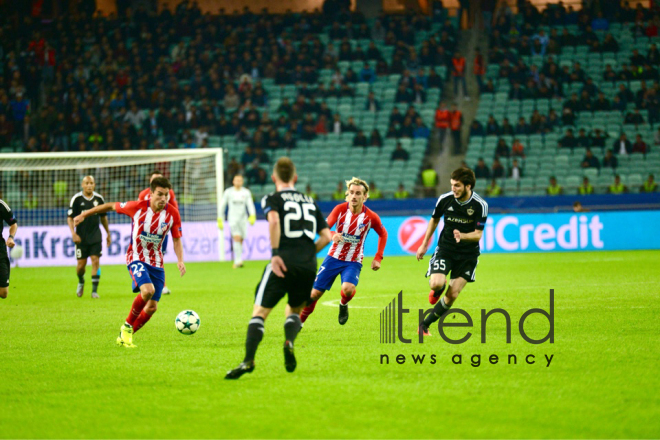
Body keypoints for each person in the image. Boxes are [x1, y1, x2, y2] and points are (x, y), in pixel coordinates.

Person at [225, 158, 332, 379]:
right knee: (293, 310)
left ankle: (248, 361)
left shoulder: (272, 198)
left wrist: (275, 254)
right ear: (295, 178)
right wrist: (308, 252)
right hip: (307, 264)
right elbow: (327, 236)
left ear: (273, 178)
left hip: (282, 260)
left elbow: (273, 222)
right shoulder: (310, 201)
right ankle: (289, 342)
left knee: (260, 313)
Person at [73, 177, 185, 348]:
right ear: (151, 193)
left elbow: (177, 239)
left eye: (166, 195)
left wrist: (180, 260)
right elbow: (110, 206)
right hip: (136, 256)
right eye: (160, 195)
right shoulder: (137, 207)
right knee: (147, 291)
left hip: (156, 263)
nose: (163, 199)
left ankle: (125, 335)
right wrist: (84, 214)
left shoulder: (173, 213)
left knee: (152, 307)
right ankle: (126, 327)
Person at [299, 177, 387, 326]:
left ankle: (343, 304)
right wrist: (333, 235)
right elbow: (324, 229)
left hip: (353, 260)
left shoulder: (371, 217)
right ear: (347, 194)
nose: (354, 196)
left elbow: (383, 234)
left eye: (358, 193)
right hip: (333, 257)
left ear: (365, 197)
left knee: (347, 289)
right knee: (314, 295)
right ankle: (298, 325)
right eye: (351, 192)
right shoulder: (339, 210)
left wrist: (378, 257)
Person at [415, 168, 488, 336]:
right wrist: (424, 244)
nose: (453, 189)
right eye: (452, 185)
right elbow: (434, 220)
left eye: (457, 186)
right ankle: (437, 289)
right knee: (436, 284)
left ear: (468, 186)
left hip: (468, 255)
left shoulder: (480, 205)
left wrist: (462, 236)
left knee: (453, 293)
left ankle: (424, 325)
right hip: (446, 249)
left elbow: (478, 235)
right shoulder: (445, 199)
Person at [67, 176, 111, 299]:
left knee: (95, 261)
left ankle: (94, 291)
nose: (89, 185)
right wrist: (73, 233)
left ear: (94, 184)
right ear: (82, 185)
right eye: (87, 183)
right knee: (81, 266)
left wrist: (108, 233)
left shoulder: (99, 199)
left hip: (96, 236)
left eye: (91, 183)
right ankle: (81, 281)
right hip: (81, 237)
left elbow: (103, 217)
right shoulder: (76, 199)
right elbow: (70, 218)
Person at [138, 170, 179, 295]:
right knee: (143, 258)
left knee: (158, 258)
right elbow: (138, 212)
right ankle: (144, 284)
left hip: (161, 232)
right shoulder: (143, 194)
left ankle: (162, 285)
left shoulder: (169, 193)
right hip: (145, 233)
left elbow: (174, 208)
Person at [219, 175, 257, 269]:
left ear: (242, 182)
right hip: (233, 218)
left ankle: (239, 259)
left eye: (240, 180)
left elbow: (250, 204)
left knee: (241, 239)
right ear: (233, 181)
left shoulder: (246, 192)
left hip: (243, 219)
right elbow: (222, 205)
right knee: (236, 237)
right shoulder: (228, 192)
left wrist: (252, 215)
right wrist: (220, 218)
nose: (238, 182)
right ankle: (238, 261)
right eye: (236, 180)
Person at [0, 199, 18, 299]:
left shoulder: (1, 205)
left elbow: (13, 224)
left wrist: (11, 237)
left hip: (0, 250)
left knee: (4, 293)